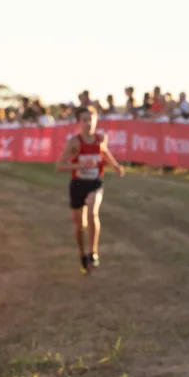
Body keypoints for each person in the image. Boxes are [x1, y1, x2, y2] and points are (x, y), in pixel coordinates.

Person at [54, 104, 125, 272]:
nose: (88, 123)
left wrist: (115, 166)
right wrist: (80, 164)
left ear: (96, 120)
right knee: (79, 225)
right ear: (78, 123)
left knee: (93, 210)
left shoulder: (100, 139)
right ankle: (82, 255)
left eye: (91, 119)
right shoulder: (74, 143)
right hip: (78, 184)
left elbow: (104, 151)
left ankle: (93, 252)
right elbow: (59, 166)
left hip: (94, 182)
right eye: (84, 120)